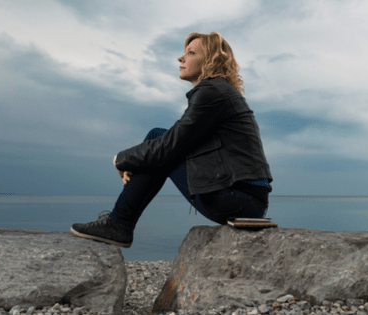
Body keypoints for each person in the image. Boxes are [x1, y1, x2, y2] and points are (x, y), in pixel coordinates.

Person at [70, 31, 273, 248]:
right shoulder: (220, 91)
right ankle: (120, 223)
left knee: (158, 140)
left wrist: (121, 159)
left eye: (191, 53)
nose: (180, 58)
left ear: (210, 60)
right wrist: (137, 158)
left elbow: (168, 147)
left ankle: (119, 224)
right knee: (158, 140)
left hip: (239, 200)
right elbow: (176, 143)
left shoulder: (212, 91)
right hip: (245, 200)